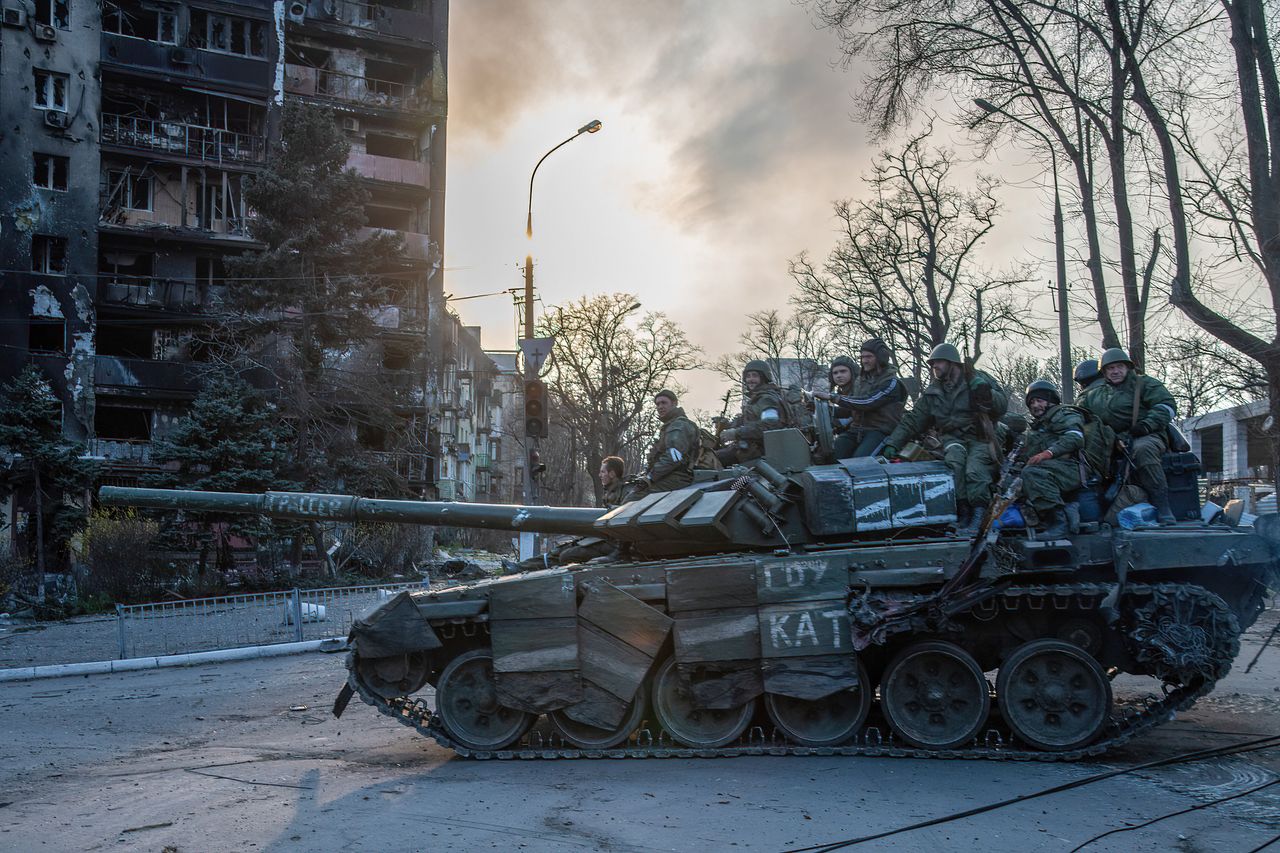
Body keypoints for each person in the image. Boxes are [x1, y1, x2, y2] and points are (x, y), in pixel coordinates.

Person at [880, 343, 1008, 534]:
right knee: (955, 463)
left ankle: (979, 516)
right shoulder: (934, 392)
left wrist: (985, 393)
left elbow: (1002, 406)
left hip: (981, 435)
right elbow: (913, 420)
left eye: (938, 362)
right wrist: (893, 443)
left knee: (975, 469)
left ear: (952, 362)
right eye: (932, 364)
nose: (935, 367)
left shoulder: (977, 378)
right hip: (953, 437)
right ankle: (964, 513)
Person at [1080, 347, 1179, 524]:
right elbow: (1079, 414)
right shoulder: (1094, 394)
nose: (1115, 371)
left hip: (1148, 434)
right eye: (1110, 368)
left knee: (1143, 449)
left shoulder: (1145, 384)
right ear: (1104, 372)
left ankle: (1163, 506)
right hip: (1112, 440)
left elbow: (1167, 406)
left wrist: (1145, 425)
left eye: (1119, 367)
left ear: (1128, 367)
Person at [513, 456, 628, 571]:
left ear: (612, 474)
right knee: (559, 550)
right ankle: (519, 567)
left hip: (611, 544)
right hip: (600, 538)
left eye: (603, 472)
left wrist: (613, 555)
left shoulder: (626, 492)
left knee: (567, 555)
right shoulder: (610, 492)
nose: (600, 475)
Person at [814, 339, 906, 458]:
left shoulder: (891, 383)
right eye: (862, 357)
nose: (864, 361)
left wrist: (833, 397)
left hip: (879, 431)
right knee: (832, 453)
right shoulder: (861, 381)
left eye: (869, 357)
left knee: (860, 461)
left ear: (880, 357)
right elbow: (851, 410)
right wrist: (825, 410)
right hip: (857, 430)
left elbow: (868, 402)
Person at [1018, 380, 1084, 540]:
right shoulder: (1037, 427)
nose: (1035, 405)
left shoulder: (1063, 414)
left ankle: (1059, 524)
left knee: (1032, 473)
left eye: (1039, 400)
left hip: (1073, 468)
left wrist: (1048, 453)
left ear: (1051, 400)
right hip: (1054, 469)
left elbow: (1075, 437)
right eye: (1032, 402)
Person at [716, 359, 791, 465]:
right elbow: (748, 421)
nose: (750, 380)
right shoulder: (758, 398)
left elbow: (769, 427)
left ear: (764, 377)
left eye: (755, 376)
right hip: (752, 449)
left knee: (710, 461)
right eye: (748, 376)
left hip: (760, 453)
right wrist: (727, 425)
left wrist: (736, 433)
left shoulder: (767, 399)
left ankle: (740, 483)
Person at [637, 390, 699, 492]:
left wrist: (650, 477)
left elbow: (674, 457)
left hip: (678, 477)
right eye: (657, 404)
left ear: (674, 403)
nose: (660, 407)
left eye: (664, 403)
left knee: (635, 497)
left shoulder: (679, 425)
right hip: (667, 475)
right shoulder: (670, 425)